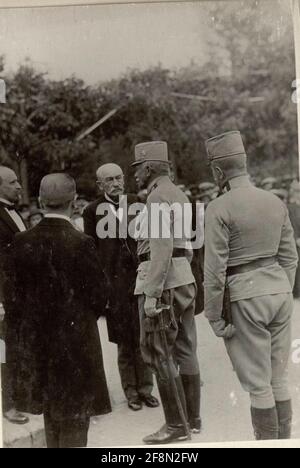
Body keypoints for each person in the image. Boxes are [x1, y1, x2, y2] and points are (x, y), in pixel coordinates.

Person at [4, 173, 111, 448]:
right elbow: (100, 298)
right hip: (76, 350)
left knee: (52, 416)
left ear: (40, 201)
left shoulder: (21, 242)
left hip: (39, 349)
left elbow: (13, 299)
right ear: (74, 202)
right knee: (76, 421)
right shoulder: (82, 243)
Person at [204, 131, 298, 440]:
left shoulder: (218, 207)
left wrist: (214, 316)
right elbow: (290, 257)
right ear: (245, 163)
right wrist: (281, 288)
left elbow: (215, 270)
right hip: (279, 290)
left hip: (246, 295)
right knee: (278, 378)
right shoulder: (274, 201)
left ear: (218, 171)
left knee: (259, 385)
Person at [132, 141, 201, 445]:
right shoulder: (179, 194)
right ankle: (193, 419)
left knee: (158, 350)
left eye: (137, 168)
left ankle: (175, 425)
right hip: (183, 276)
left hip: (163, 280)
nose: (134, 175)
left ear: (148, 168)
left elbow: (160, 249)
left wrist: (151, 294)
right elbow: (185, 247)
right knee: (186, 348)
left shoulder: (157, 196)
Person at [83, 164, 159, 412]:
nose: (115, 183)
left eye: (119, 177)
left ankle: (146, 389)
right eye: (109, 180)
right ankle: (131, 392)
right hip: (114, 286)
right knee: (124, 342)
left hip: (140, 279)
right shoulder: (92, 211)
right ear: (100, 185)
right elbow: (91, 252)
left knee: (144, 337)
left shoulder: (138, 201)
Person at [0, 165, 29, 425]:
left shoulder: (15, 212)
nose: (19, 186)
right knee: (5, 351)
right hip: (5, 298)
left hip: (22, 296)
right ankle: (8, 405)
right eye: (13, 182)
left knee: (20, 348)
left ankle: (21, 399)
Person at [288, 181, 300, 298]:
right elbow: (291, 224)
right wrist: (296, 238)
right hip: (295, 241)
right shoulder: (291, 207)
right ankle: (296, 291)